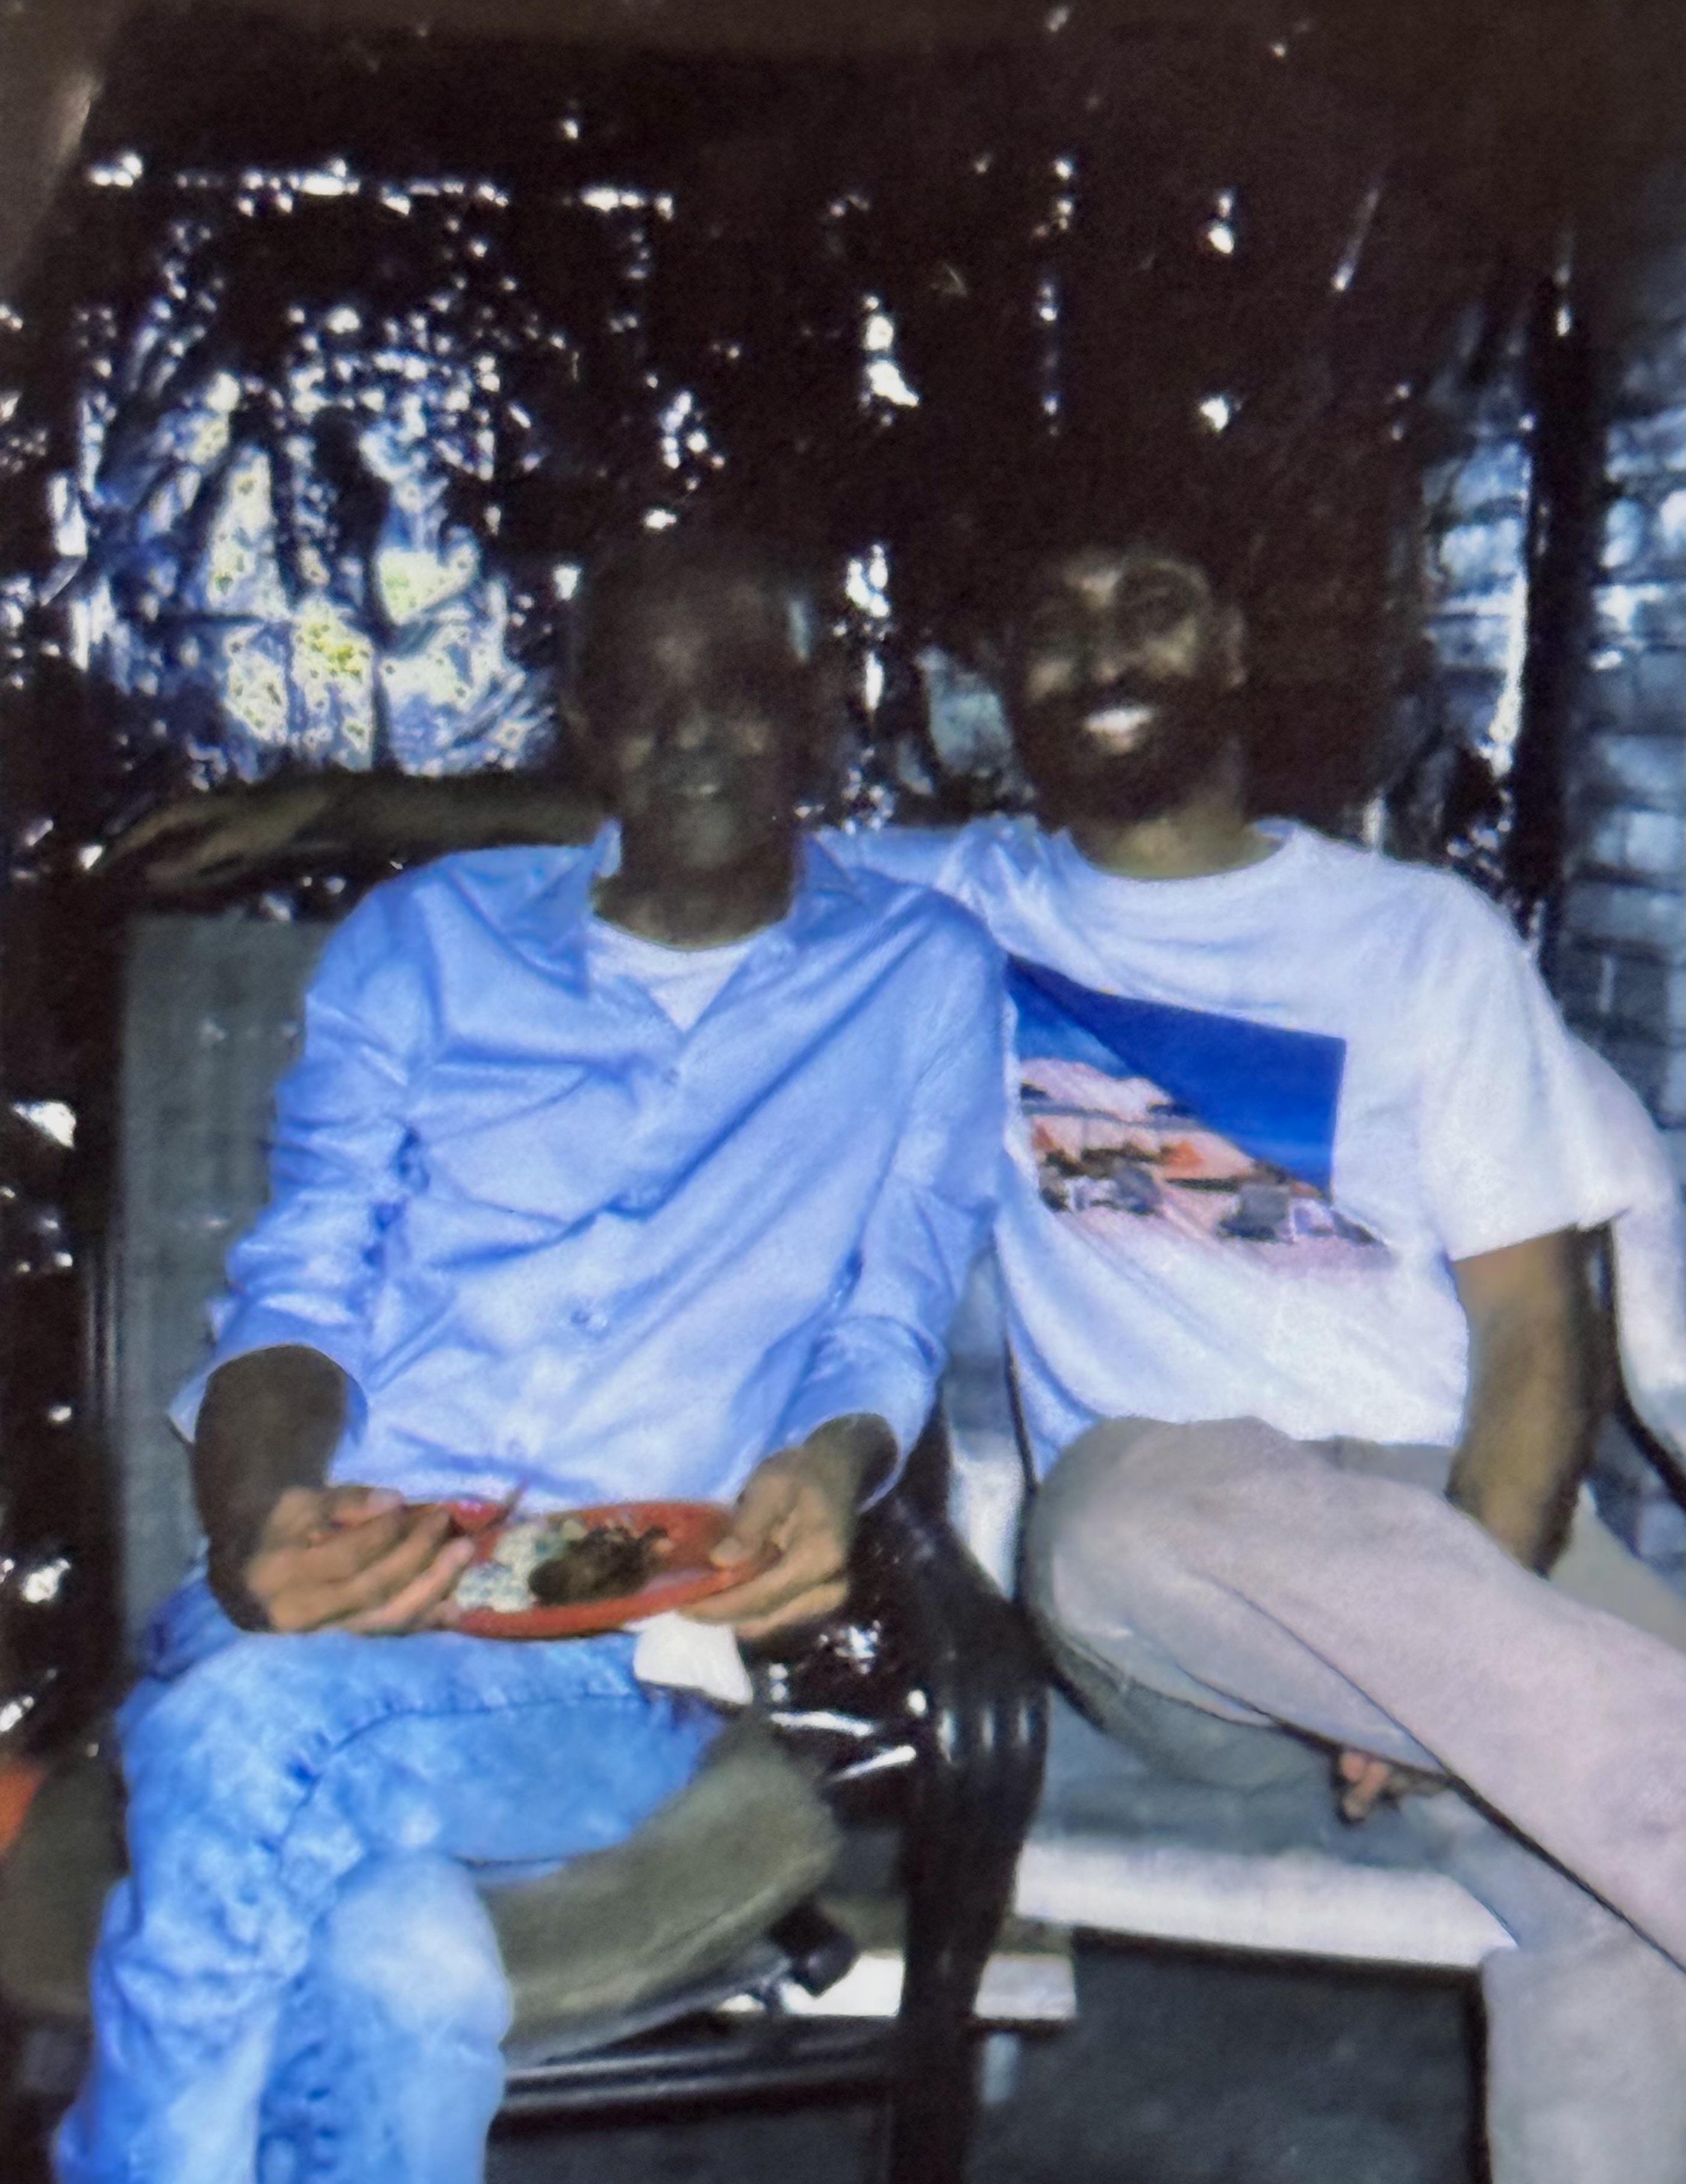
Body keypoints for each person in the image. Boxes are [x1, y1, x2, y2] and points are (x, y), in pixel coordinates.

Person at [114, 541, 1685, 2184]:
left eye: (1146, 603)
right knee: (1136, 1495)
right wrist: (337, 810)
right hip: (1173, 1560)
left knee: (1617, 1923)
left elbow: (1530, 1334)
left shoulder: (1420, 936)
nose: (1100, 655)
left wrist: (1446, 1632)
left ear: (1231, 637)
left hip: (1460, 1533)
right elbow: (662, 808)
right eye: (1056, 626)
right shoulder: (969, 903)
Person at [58, 533, 1005, 2184]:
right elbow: (302, 1287)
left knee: (237, 1738)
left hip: (603, 1645)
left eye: (744, 694)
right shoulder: (427, 944)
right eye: (642, 699)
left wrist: (831, 1460)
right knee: (414, 1988)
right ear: (583, 727)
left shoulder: (921, 973)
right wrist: (258, 1527)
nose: (693, 734)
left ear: (827, 711)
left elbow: (888, 1311)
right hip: (342, 1568)